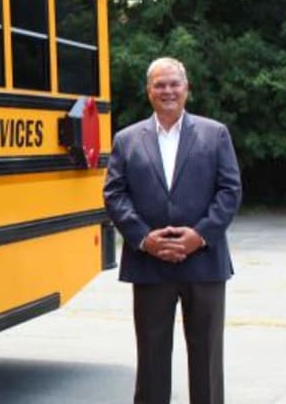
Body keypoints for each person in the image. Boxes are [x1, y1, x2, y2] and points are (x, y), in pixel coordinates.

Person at [103, 57, 242, 404]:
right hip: (149, 265)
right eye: (160, 85)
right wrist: (143, 238)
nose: (168, 91)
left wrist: (200, 235)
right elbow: (114, 194)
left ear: (186, 89)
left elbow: (230, 191)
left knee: (207, 361)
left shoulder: (215, 134)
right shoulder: (127, 139)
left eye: (174, 84)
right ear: (149, 91)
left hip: (204, 263)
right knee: (151, 362)